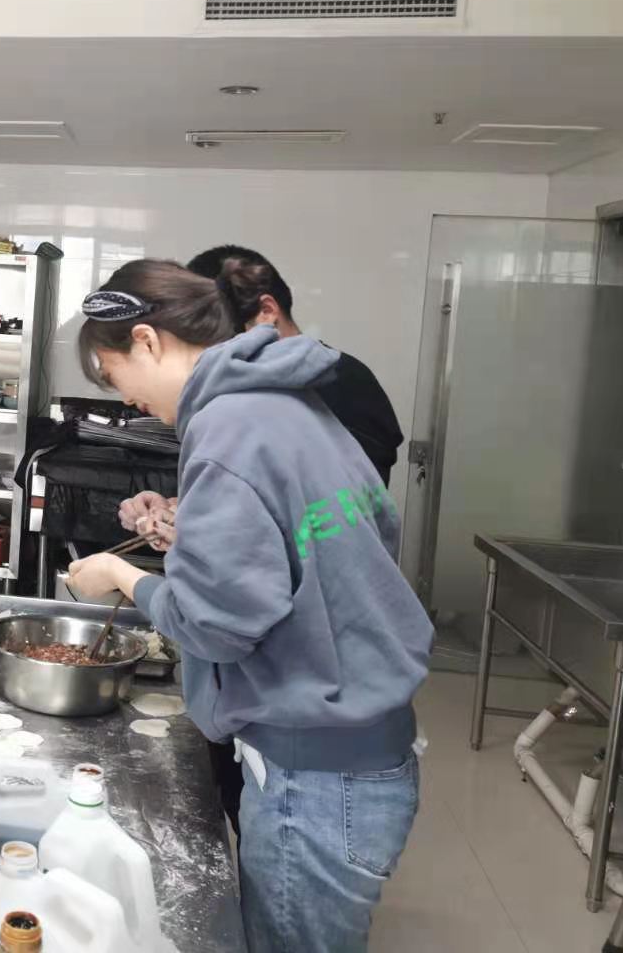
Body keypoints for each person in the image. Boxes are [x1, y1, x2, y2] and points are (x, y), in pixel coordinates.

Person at [67, 258, 432, 953]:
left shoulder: (226, 427)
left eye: (114, 377)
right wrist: (198, 535)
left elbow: (215, 626)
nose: (128, 400)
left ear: (146, 340)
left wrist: (120, 574)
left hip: (317, 774)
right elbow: (342, 540)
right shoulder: (285, 401)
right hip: (364, 746)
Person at [119, 244, 407, 843]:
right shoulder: (272, 405)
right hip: (324, 721)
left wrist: (125, 576)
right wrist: (189, 520)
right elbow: (284, 518)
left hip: (315, 733)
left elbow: (228, 614)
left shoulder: (256, 411)